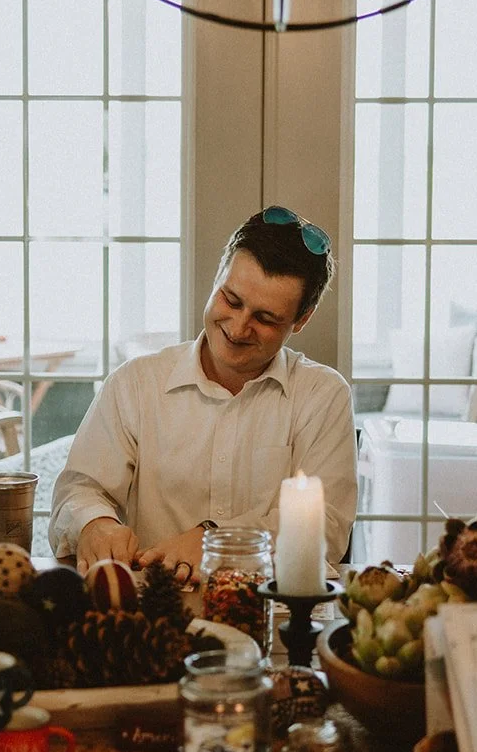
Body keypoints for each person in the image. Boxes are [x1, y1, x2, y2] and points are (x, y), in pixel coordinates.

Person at [50, 207, 357, 577]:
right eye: (231, 299)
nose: (239, 327)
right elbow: (79, 489)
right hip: (151, 613)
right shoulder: (135, 384)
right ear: (217, 277)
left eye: (265, 319)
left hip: (267, 612)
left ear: (301, 320)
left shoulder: (323, 396)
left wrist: (218, 543)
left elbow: (327, 527)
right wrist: (93, 524)